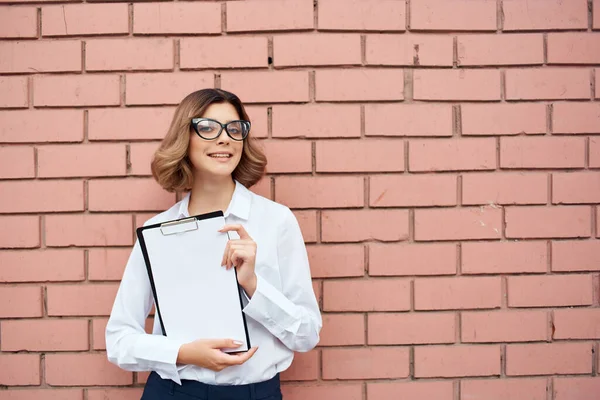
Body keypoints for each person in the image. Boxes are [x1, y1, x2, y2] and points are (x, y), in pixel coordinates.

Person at [106, 88, 322, 400]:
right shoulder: (157, 232)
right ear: (186, 138)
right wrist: (183, 352)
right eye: (207, 127)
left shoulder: (276, 222)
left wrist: (253, 285)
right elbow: (119, 340)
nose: (224, 138)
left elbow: (306, 335)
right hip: (173, 393)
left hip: (255, 394)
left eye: (235, 129)